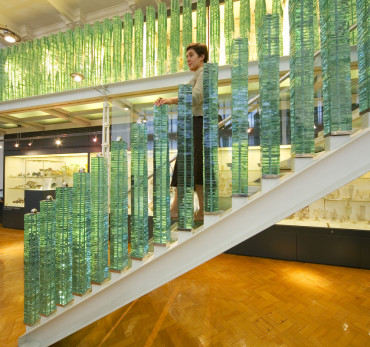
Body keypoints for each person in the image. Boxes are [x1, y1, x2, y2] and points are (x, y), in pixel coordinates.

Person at [154, 42, 208, 221]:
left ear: (202, 57)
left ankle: (191, 209)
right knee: (188, 165)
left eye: (191, 55)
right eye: (187, 56)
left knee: (191, 165)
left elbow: (196, 97)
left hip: (199, 124)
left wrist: (170, 100)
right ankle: (185, 208)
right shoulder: (198, 75)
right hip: (194, 124)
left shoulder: (204, 73)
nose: (188, 59)